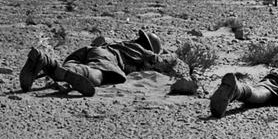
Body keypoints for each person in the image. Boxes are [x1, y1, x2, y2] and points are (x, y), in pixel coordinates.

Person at [19, 29, 189, 97]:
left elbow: (98, 41)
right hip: (105, 57)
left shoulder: (120, 42)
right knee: (99, 74)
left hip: (88, 50)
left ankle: (45, 60)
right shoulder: (141, 50)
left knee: (68, 67)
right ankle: (76, 73)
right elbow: (163, 62)